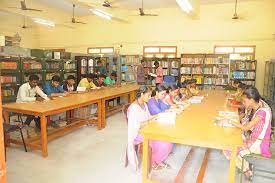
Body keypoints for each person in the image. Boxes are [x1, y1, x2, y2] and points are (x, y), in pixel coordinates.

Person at [224, 86, 272, 179]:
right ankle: (246, 167)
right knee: (231, 141)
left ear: (251, 100)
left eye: (244, 101)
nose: (243, 103)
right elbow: (247, 124)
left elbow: (246, 127)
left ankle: (246, 170)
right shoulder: (257, 106)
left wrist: (231, 122)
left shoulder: (262, 112)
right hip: (253, 139)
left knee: (228, 148)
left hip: (259, 144)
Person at [127, 86, 173, 171]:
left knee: (168, 140)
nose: (149, 97)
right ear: (141, 94)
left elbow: (149, 116)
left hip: (147, 128)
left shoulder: (144, 104)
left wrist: (158, 116)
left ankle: (157, 160)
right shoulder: (134, 108)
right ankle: (153, 163)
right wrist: (150, 121)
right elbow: (136, 126)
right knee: (163, 143)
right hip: (138, 133)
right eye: (148, 95)